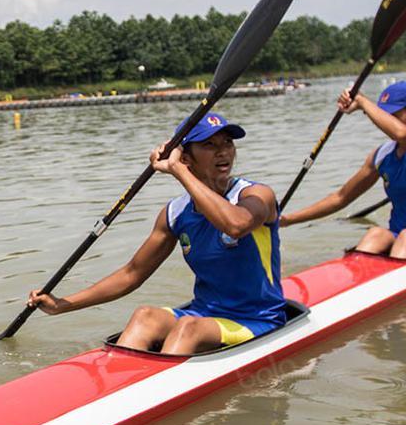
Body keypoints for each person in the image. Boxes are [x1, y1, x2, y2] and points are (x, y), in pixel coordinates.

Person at [26, 114, 286, 355]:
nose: (223, 151)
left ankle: (165, 383)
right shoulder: (175, 214)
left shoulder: (255, 194)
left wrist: (178, 171)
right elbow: (132, 274)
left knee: (188, 328)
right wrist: (64, 304)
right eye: (209, 144)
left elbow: (236, 225)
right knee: (144, 316)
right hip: (204, 314)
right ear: (187, 157)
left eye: (228, 143)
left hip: (257, 319)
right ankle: (124, 380)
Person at [281, 81, 406, 259]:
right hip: (399, 237)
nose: (383, 121)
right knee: (376, 234)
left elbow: (401, 133)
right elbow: (340, 197)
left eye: (392, 115)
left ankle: (397, 276)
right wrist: (287, 220)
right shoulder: (381, 156)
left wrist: (362, 102)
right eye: (383, 115)